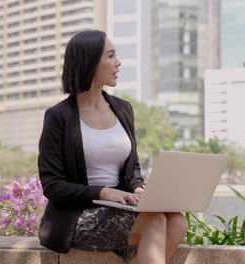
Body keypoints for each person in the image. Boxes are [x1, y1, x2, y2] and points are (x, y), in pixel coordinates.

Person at [37, 29, 188, 264]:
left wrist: (138, 189)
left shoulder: (123, 109)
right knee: (156, 219)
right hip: (77, 216)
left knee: (178, 221)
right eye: (110, 56)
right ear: (89, 62)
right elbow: (53, 185)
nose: (118, 63)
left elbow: (133, 169)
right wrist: (102, 192)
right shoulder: (59, 116)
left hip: (120, 208)